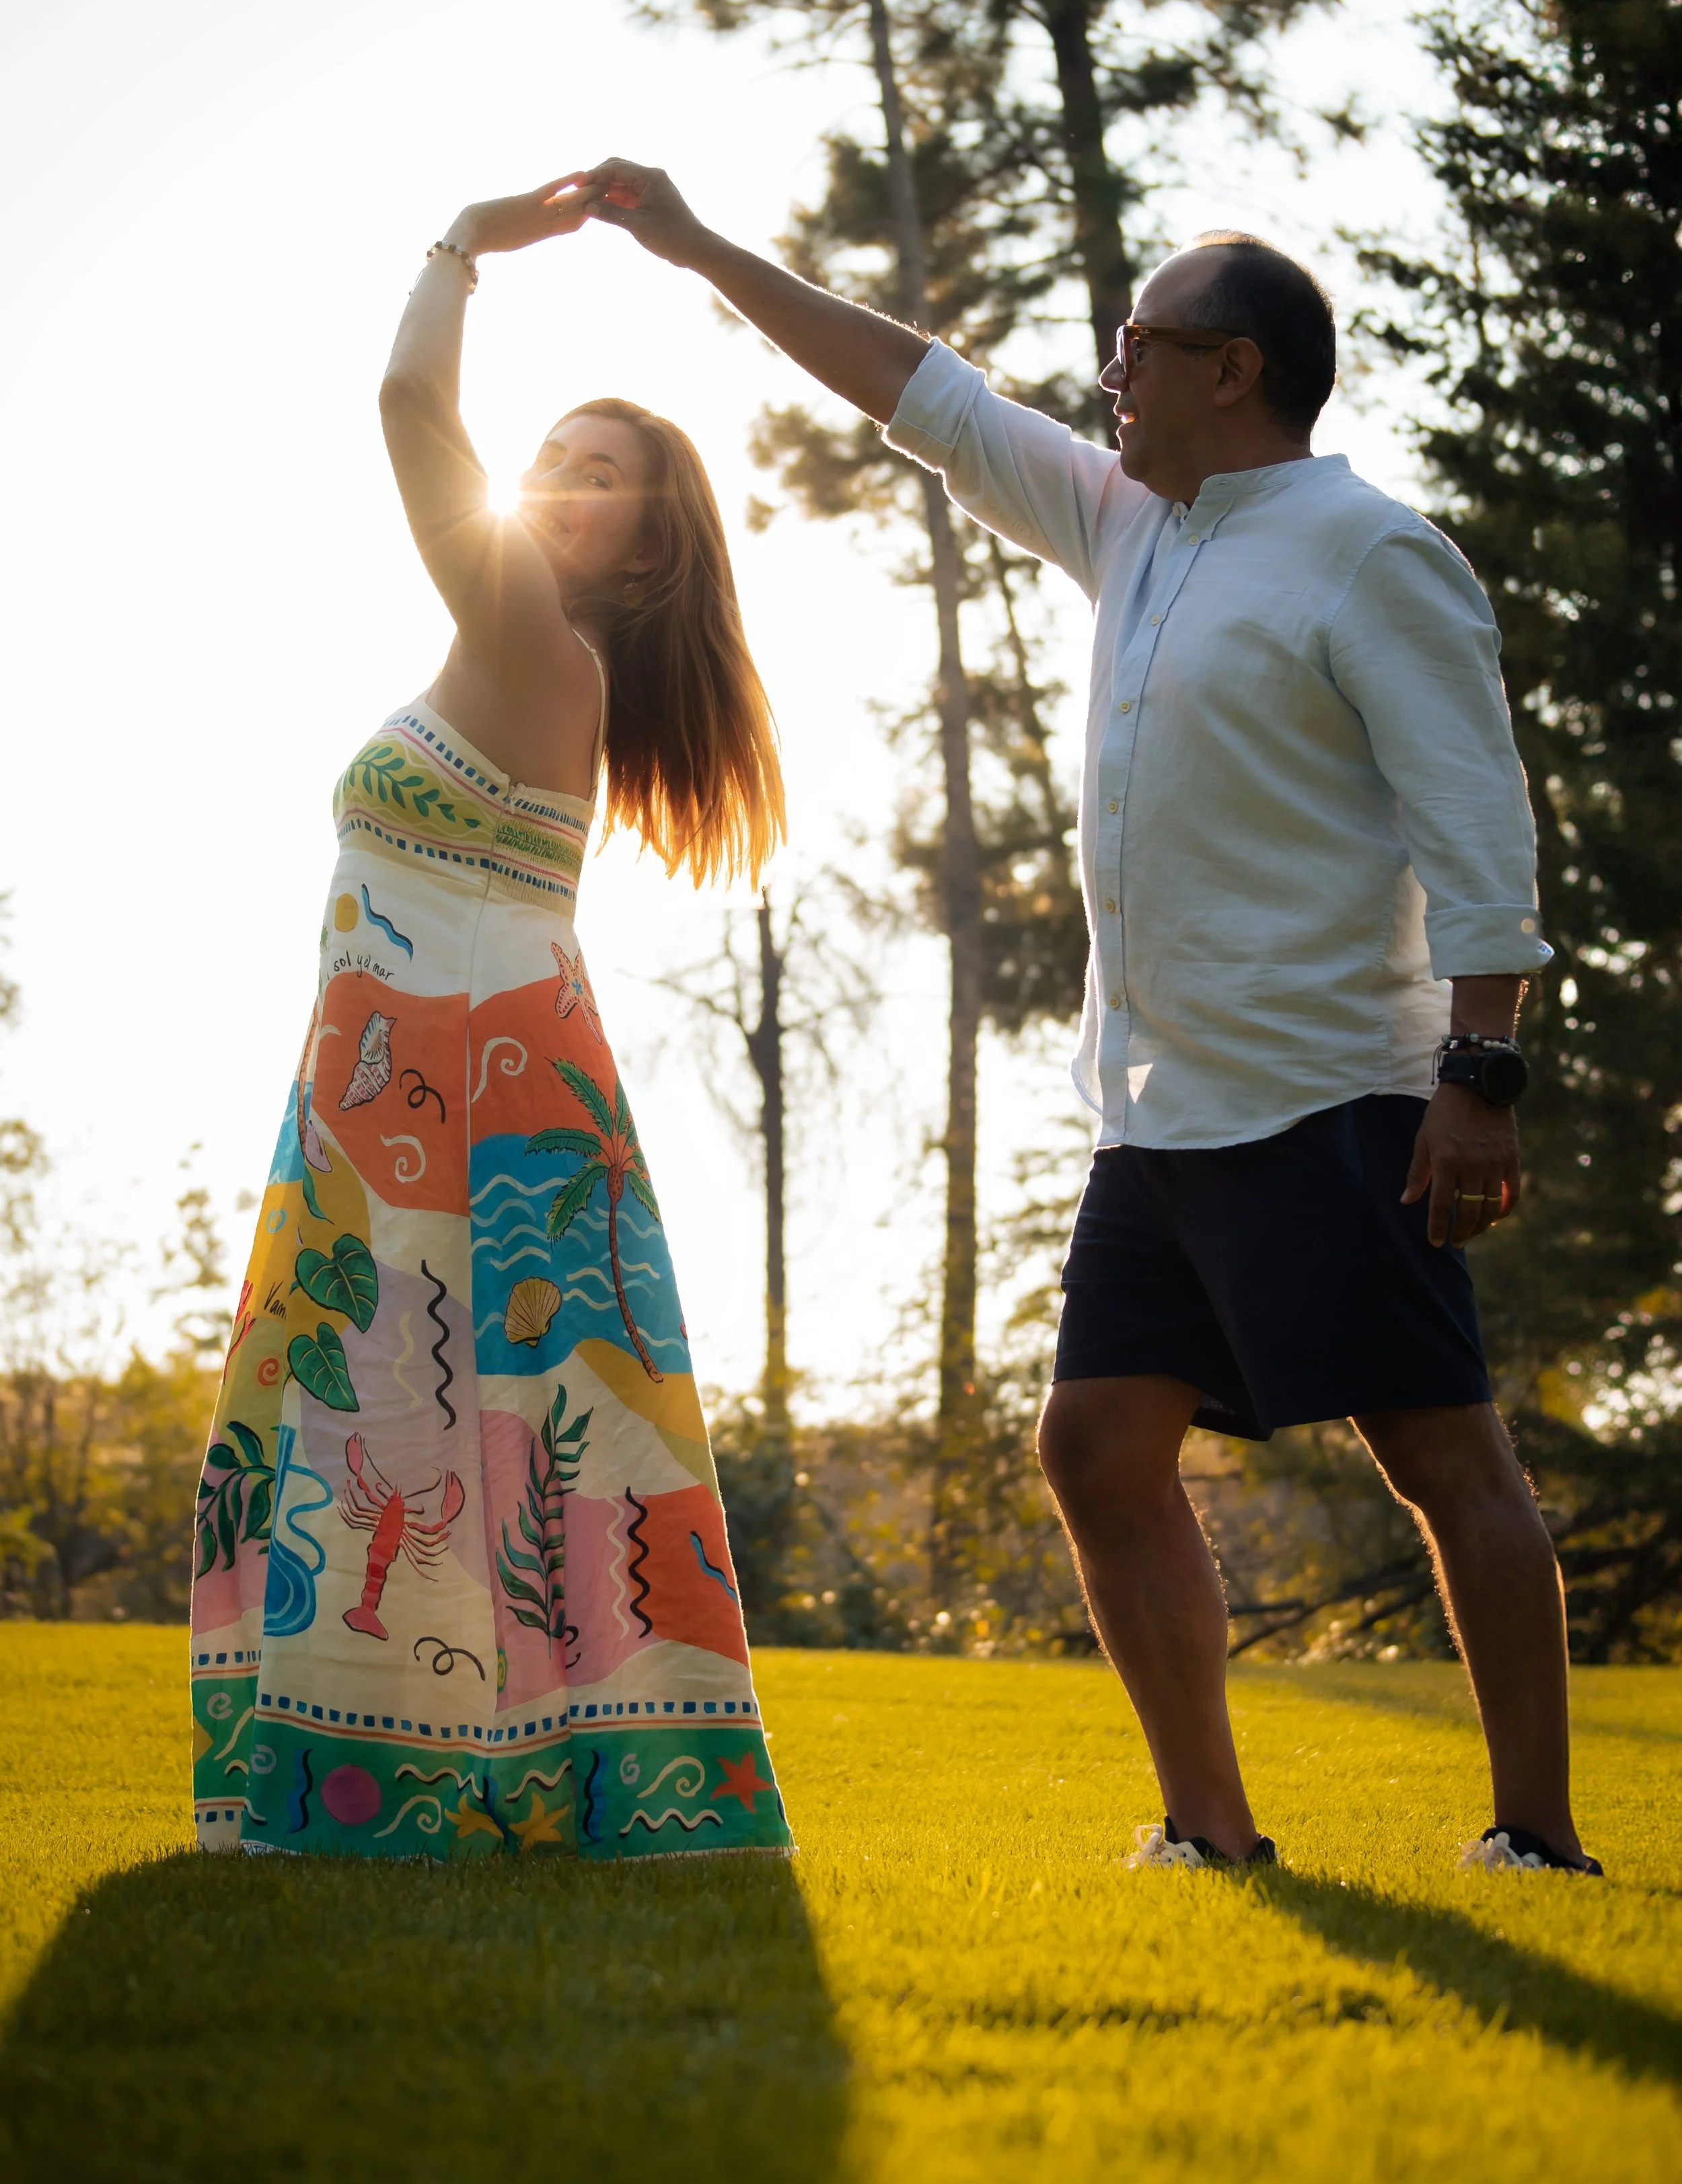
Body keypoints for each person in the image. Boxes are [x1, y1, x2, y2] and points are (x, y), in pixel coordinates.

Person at [573, 156, 1599, 1877]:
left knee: (1438, 1455)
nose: (1110, 369)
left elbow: (1476, 825)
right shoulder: (1130, 522)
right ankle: (1211, 1834)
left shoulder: (1370, 554)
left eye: (1141, 341)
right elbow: (921, 390)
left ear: (1236, 369)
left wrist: (1476, 1078)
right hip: (1157, 1109)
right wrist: (693, 247)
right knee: (1095, 1446)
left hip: (1334, 1093)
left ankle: (1539, 1839)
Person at [188, 177, 792, 1864]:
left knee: (434, 1437)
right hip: (424, 1090)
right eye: (553, 457)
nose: (549, 485)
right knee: (459, 1442)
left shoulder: (534, 641)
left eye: (594, 476)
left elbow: (405, 407)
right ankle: (446, 1792)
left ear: (650, 543)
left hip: (458, 1099)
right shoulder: (522, 650)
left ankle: (432, 1798)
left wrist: (461, 236)